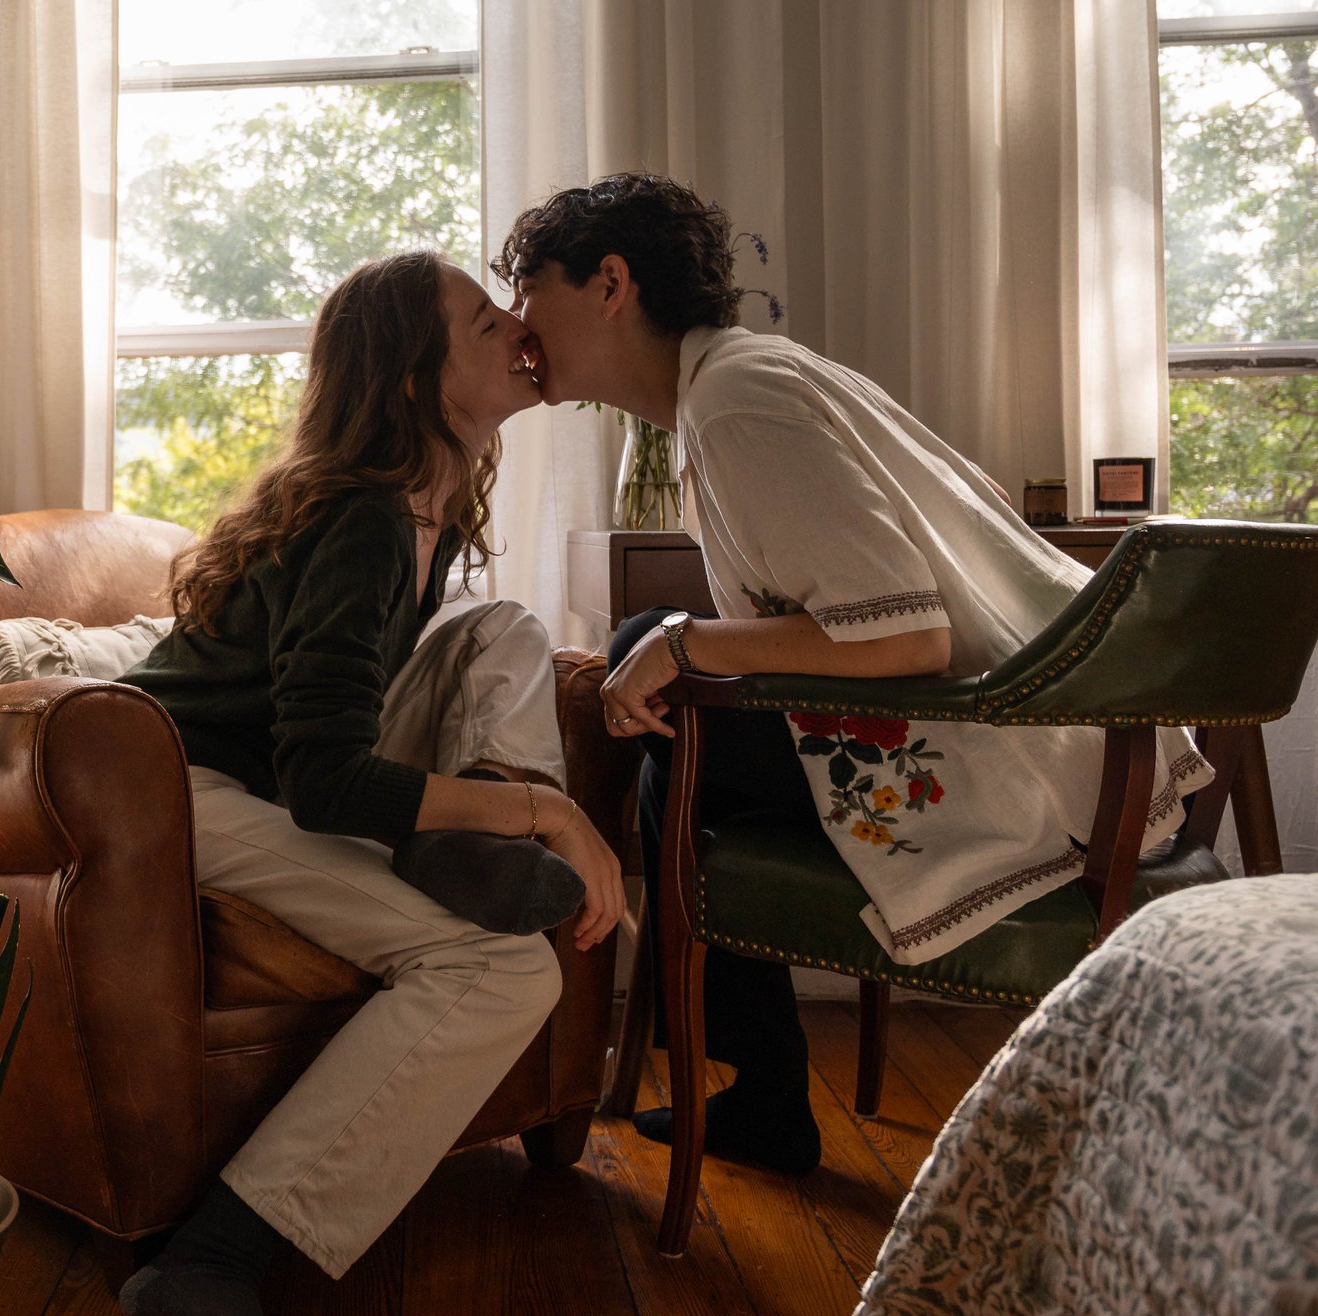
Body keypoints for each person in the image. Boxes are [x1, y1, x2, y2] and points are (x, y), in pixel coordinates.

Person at [498, 172, 1208, 1176]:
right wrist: (670, 642)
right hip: (1028, 722)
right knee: (654, 669)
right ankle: (744, 1080)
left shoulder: (737, 401)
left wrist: (681, 646)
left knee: (671, 723)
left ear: (609, 282)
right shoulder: (745, 376)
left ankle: (734, 1081)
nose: (518, 320)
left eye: (530, 288)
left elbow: (901, 641)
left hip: (981, 741)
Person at [114, 249, 627, 1316]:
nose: (511, 325)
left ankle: (463, 843)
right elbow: (325, 784)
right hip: (168, 796)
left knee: (503, 625)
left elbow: (338, 747)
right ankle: (207, 1262)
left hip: (265, 783)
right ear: (412, 376)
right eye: (482, 320)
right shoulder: (355, 524)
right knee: (503, 977)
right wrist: (546, 809)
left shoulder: (424, 523)